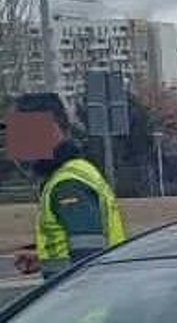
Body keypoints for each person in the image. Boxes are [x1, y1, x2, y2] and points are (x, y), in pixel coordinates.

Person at [7, 93, 126, 279]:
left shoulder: (67, 185)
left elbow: (87, 259)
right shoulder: (72, 172)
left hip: (85, 304)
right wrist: (43, 260)